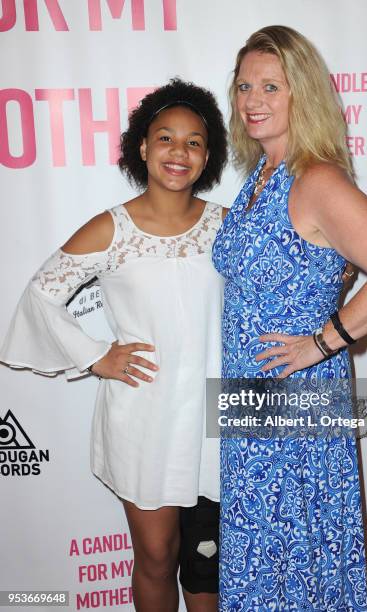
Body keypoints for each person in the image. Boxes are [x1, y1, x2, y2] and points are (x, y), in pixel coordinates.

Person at [212, 26, 367, 611]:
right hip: (249, 404)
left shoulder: (316, 179)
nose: (252, 99)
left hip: (295, 399)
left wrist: (320, 342)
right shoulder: (260, 178)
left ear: (301, 94)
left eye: (271, 87)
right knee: (267, 558)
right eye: (244, 85)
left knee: (295, 557)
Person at [1, 79, 228, 612]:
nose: (179, 152)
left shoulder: (226, 226)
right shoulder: (113, 228)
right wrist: (96, 356)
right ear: (143, 147)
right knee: (154, 556)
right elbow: (40, 297)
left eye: (194, 142)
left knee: (206, 560)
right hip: (144, 414)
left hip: (215, 419)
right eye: (166, 138)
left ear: (208, 154)